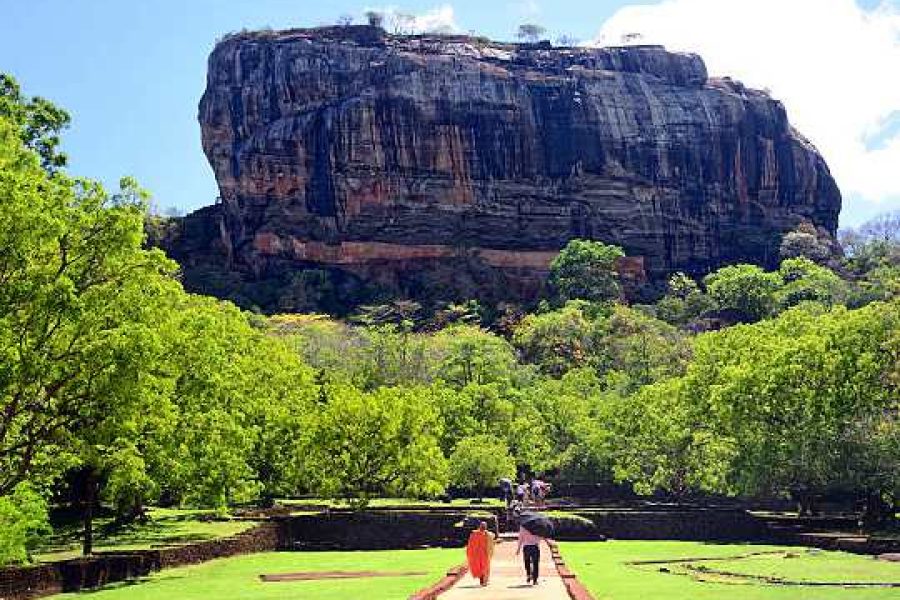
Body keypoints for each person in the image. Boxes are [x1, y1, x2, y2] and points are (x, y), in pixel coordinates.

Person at [465, 521, 496, 586]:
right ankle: (484, 580)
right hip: (481, 554)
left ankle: (483, 580)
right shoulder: (477, 534)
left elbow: (470, 545)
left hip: (482, 553)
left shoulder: (479, 534)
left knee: (482, 567)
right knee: (484, 567)